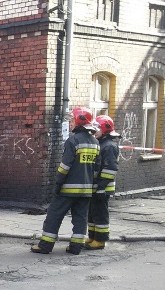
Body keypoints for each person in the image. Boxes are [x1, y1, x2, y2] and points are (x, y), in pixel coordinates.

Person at [31, 107, 99, 255]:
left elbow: (64, 167)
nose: (71, 123)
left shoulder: (73, 141)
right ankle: (76, 247)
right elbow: (96, 169)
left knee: (54, 216)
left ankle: (45, 246)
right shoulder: (95, 142)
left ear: (79, 121)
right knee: (80, 219)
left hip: (67, 189)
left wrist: (58, 183)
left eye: (72, 120)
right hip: (86, 190)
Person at [86, 115, 120, 251]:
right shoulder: (101, 143)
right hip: (96, 187)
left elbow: (110, 170)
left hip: (103, 188)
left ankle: (100, 240)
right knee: (93, 213)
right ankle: (93, 236)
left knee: (100, 213)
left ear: (105, 129)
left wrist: (101, 187)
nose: (94, 131)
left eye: (97, 128)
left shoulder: (109, 146)